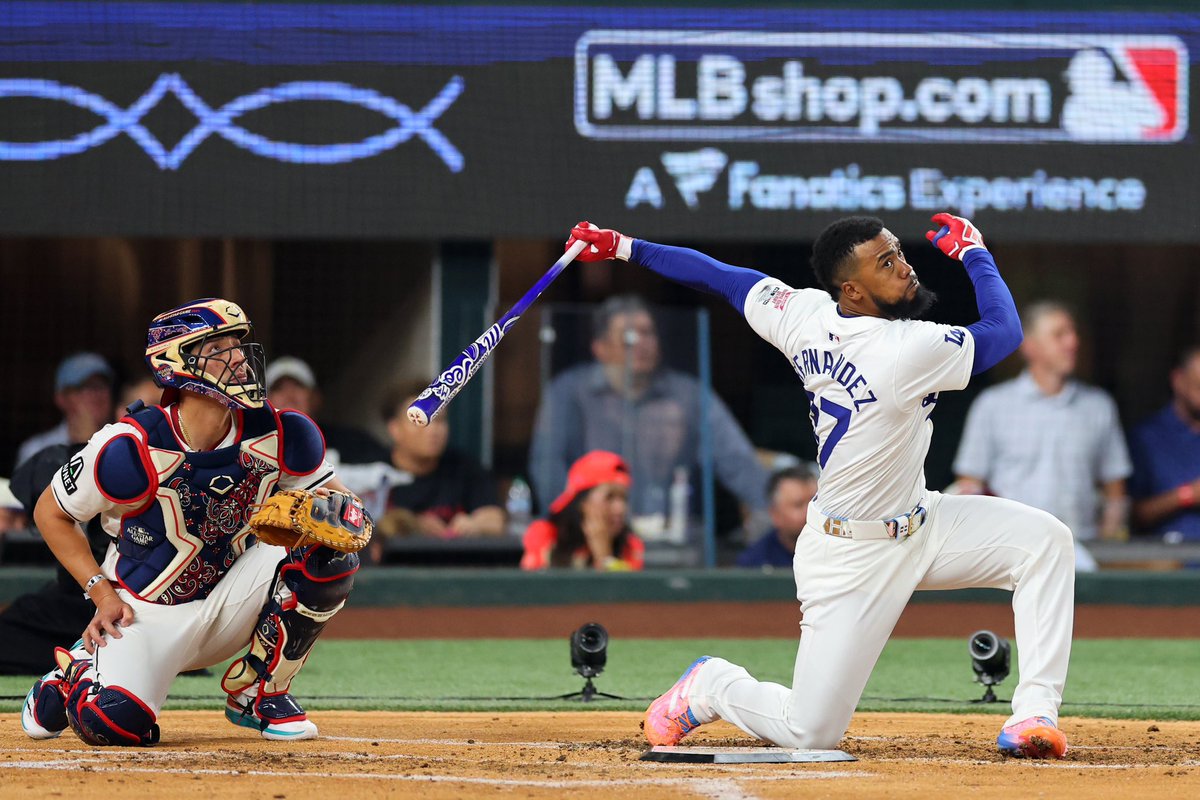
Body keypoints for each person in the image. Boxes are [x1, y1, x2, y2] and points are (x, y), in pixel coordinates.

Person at [566, 214, 1073, 759]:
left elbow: (721, 277)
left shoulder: (803, 313)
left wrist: (625, 246)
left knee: (1045, 543)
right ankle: (711, 685)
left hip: (923, 523)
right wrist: (975, 253)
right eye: (886, 263)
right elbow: (1005, 332)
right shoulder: (907, 346)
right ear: (852, 289)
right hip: (849, 554)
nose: (905, 268)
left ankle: (1034, 714)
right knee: (811, 733)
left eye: (898, 253)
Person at [21, 298, 362, 745]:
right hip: (144, 611)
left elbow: (343, 505)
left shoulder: (281, 431)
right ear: (174, 364)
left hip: (234, 598)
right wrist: (100, 592)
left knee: (330, 553)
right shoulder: (130, 446)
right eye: (218, 348)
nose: (238, 358)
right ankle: (76, 673)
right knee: (111, 724)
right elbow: (50, 512)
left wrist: (345, 515)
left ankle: (261, 692)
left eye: (237, 346)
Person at [529, 294, 769, 527]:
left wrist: (774, 508)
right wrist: (575, 526)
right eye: (628, 336)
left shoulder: (689, 394)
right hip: (595, 535)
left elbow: (736, 461)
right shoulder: (569, 391)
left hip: (671, 537)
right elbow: (547, 466)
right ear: (601, 348)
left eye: (648, 333)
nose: (641, 344)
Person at [952, 300, 1132, 572]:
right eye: (1059, 335)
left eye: (1073, 333)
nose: (1072, 342)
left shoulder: (1098, 406)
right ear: (1030, 346)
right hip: (1010, 553)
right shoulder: (993, 405)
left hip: (1082, 555)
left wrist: (1107, 552)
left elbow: (1115, 492)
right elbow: (969, 486)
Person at [378, 382, 505, 538]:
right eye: (421, 421)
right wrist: (411, 525)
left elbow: (495, 520)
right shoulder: (372, 473)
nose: (433, 430)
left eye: (440, 420)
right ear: (394, 429)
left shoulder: (464, 468)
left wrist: (474, 524)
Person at [521, 450, 644, 571]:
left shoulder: (630, 546)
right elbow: (534, 580)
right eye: (609, 497)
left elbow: (628, 583)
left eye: (624, 498)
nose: (620, 508)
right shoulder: (545, 534)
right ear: (582, 503)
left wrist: (604, 556)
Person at [1128, 345, 1200, 542]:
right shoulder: (1147, 437)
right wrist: (1188, 495)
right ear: (1178, 380)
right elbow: (1132, 514)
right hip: (1166, 554)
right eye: (1198, 386)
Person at [266, 356, 390, 466]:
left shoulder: (351, 442)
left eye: (298, 386)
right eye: (278, 388)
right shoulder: (258, 449)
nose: (289, 395)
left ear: (316, 398)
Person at [15, 352, 114, 469]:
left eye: (101, 386)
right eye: (84, 386)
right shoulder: (36, 451)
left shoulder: (123, 442)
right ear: (61, 398)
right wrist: (85, 447)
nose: (96, 395)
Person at [735, 464, 819, 569]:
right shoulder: (753, 564)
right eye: (798, 505)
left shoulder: (836, 551)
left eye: (815, 502)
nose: (810, 511)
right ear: (775, 514)